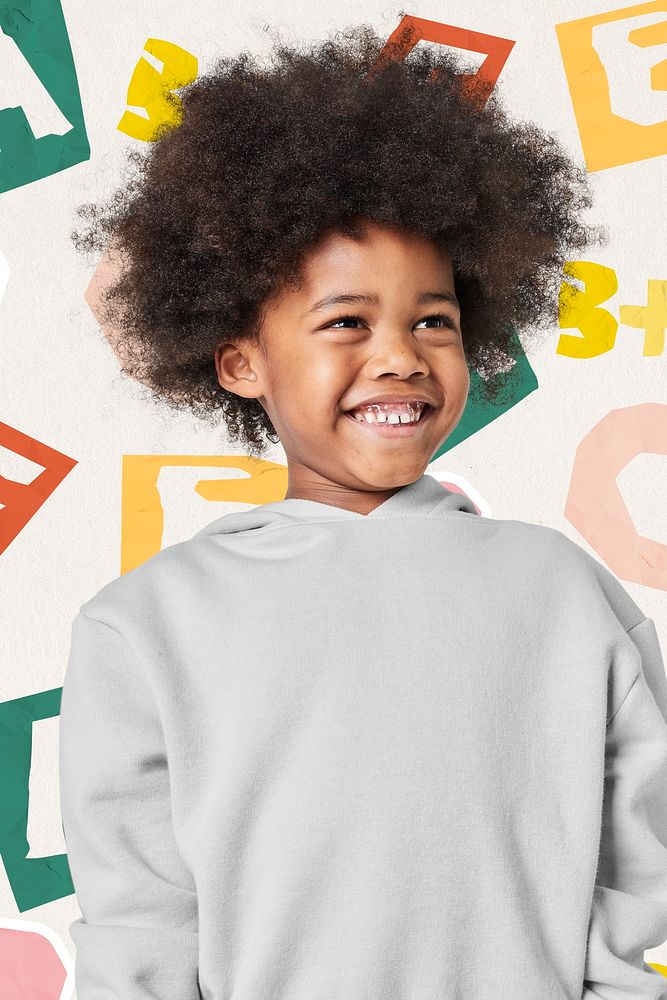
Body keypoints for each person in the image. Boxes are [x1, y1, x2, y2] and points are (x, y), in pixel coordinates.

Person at [59, 22, 667, 1000]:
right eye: (346, 322)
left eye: (434, 319)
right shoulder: (145, 625)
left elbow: (634, 857)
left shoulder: (559, 593)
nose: (399, 355)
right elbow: (140, 923)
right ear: (238, 359)